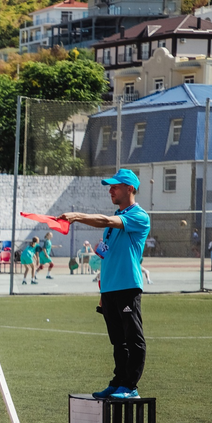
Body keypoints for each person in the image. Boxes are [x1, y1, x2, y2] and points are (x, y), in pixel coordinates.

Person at [59, 168, 150, 400]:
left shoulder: (138, 216)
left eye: (115, 186)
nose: (110, 190)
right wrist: (102, 290)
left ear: (130, 188)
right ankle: (119, 381)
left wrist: (77, 216)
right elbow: (105, 256)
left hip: (127, 287)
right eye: (110, 186)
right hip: (109, 289)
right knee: (118, 342)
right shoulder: (113, 224)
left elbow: (106, 220)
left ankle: (130, 386)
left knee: (134, 339)